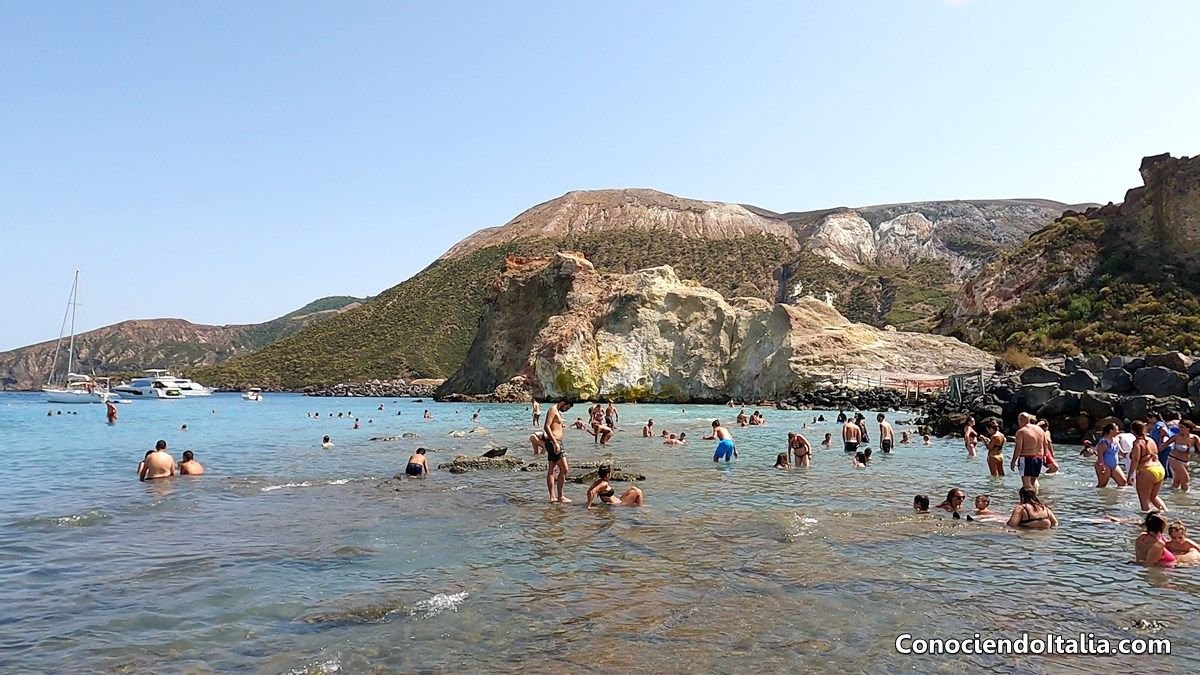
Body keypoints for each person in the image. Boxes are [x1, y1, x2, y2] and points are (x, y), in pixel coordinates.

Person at [1130, 420, 1168, 513]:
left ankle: (1145, 519)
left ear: (1132, 431)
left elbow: (1136, 459)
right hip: (1159, 469)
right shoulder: (1151, 440)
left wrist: (1130, 474)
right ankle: (1166, 513)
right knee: (1153, 497)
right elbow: (1156, 454)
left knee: (1144, 501)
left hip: (1147, 471)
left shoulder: (1137, 443)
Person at [544, 400, 573, 502]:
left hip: (554, 442)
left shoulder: (557, 411)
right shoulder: (552, 410)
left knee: (552, 469)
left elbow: (554, 426)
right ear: (562, 403)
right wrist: (555, 442)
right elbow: (546, 426)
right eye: (566, 408)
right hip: (554, 442)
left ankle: (553, 497)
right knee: (564, 469)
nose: (566, 410)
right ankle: (560, 496)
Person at [1010, 413, 1044, 493]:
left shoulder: (1021, 431)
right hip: (1039, 458)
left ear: (1021, 420)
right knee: (1033, 483)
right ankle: (1034, 498)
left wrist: (1013, 461)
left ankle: (1027, 500)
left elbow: (1018, 448)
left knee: (1026, 485)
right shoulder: (1040, 430)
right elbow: (1045, 444)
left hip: (1027, 458)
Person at [1165, 420, 1200, 491]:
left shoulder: (1195, 438)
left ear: (1188, 428)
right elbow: (1164, 445)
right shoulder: (1176, 437)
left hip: (1186, 462)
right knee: (1186, 479)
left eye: (1181, 427)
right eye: (1179, 427)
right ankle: (1187, 496)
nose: (1179, 429)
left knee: (1177, 481)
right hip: (1174, 459)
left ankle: (1173, 494)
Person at [1093, 422, 1128, 488]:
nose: (1118, 432)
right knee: (1102, 485)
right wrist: (1102, 465)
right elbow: (1100, 454)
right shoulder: (1104, 442)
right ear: (1111, 430)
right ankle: (1095, 494)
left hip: (1114, 466)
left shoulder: (1115, 439)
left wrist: (1130, 454)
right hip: (1104, 465)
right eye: (1117, 430)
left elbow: (1122, 453)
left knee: (1123, 482)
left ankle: (1117, 494)